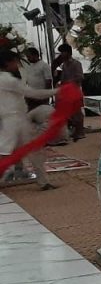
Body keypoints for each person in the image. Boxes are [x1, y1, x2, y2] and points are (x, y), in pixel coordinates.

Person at [0, 50, 58, 190]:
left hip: (13, 120)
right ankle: (43, 182)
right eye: (15, 62)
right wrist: (57, 91)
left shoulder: (5, 78)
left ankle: (43, 182)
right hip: (15, 120)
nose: (18, 64)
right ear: (7, 63)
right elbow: (32, 93)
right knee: (6, 154)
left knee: (23, 151)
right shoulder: (8, 80)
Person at [57, 44, 85, 141]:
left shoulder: (76, 63)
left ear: (68, 52)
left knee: (77, 112)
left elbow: (80, 77)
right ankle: (76, 131)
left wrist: (69, 82)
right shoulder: (64, 65)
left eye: (63, 52)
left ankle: (80, 132)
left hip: (75, 91)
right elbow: (63, 78)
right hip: (67, 92)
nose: (61, 54)